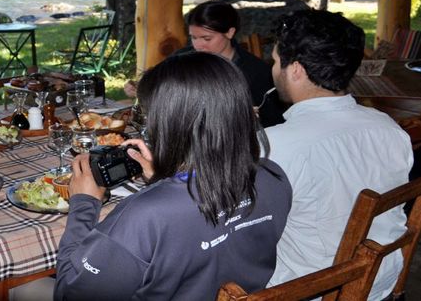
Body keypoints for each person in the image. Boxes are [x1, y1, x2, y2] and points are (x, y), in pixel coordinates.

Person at [54, 52, 292, 300]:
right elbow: (206, 228)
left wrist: (84, 203)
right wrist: (165, 179)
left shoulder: (145, 215)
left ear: (172, 125)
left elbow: (70, 294)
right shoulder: (274, 177)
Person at [265, 10, 413, 301]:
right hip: (382, 278)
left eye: (274, 61)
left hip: (318, 289)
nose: (272, 69)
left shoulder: (275, 147)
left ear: (295, 69)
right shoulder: (389, 127)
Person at [124, 0, 284, 127]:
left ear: (230, 32)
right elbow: (157, 86)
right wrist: (140, 86)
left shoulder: (256, 71)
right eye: (194, 37)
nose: (198, 45)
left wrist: (249, 118)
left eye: (207, 38)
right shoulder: (182, 60)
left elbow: (274, 123)